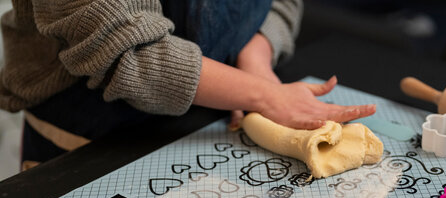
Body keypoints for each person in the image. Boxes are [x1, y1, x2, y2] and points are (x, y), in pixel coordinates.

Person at [0, 0, 376, 170]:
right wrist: (264, 93)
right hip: (93, 139)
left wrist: (257, 57)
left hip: (219, 124)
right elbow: (122, 48)